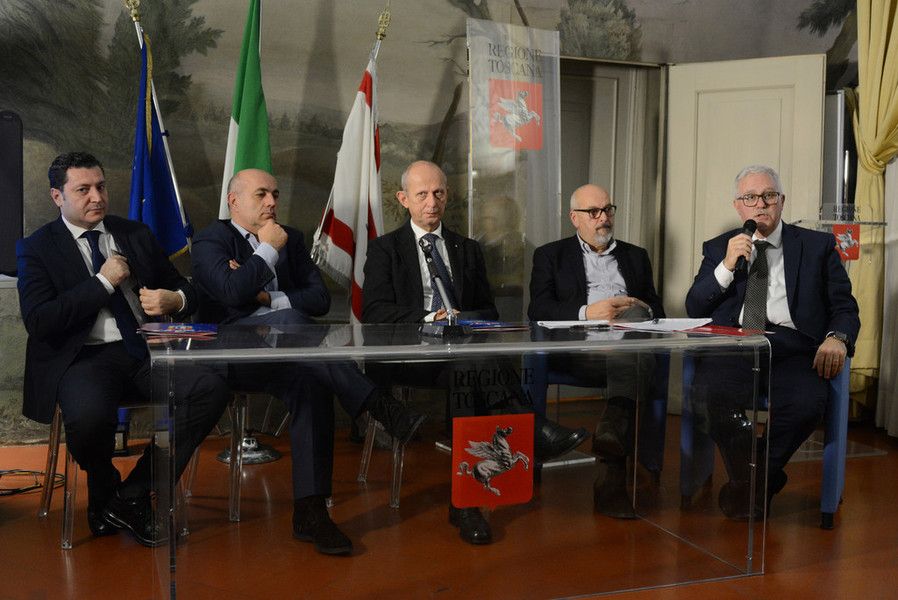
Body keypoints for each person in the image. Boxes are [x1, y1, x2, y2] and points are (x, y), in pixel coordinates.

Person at [190, 168, 424, 556]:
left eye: (275, 194)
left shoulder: (292, 239)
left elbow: (319, 300)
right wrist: (267, 251)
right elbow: (229, 292)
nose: (272, 202)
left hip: (288, 354)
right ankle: (378, 405)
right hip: (232, 353)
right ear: (233, 201)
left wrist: (266, 298)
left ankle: (311, 512)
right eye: (261, 194)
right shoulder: (211, 239)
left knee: (312, 379)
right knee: (292, 321)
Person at [362, 160, 589, 544]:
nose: (432, 202)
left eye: (438, 193)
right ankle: (529, 432)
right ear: (403, 199)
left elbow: (487, 310)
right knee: (476, 366)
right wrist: (430, 316)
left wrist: (463, 318)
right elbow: (375, 312)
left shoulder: (467, 249)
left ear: (447, 195)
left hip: (461, 353)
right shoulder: (385, 249)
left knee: (470, 369)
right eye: (422, 194)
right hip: (410, 355)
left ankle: (465, 504)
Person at [16, 152, 229, 547]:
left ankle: (132, 494)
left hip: (145, 351)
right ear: (57, 197)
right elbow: (40, 320)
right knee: (88, 419)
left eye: (101, 186)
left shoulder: (134, 233)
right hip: (84, 359)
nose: (97, 197)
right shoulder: (36, 248)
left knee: (210, 388)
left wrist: (175, 299)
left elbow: (186, 288)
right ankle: (105, 488)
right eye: (83, 190)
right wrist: (102, 282)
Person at [685, 164, 860, 519]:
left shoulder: (817, 246)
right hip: (735, 346)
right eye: (750, 197)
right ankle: (761, 480)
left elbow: (844, 307)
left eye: (768, 195)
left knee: (807, 404)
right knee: (708, 395)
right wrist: (726, 266)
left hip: (792, 347)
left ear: (781, 201)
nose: (760, 204)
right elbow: (695, 306)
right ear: (738, 206)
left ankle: (749, 483)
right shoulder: (719, 247)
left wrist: (837, 338)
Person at [528, 183, 666, 518]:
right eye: (593, 212)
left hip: (626, 346)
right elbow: (538, 309)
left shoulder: (636, 256)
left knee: (633, 342)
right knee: (635, 362)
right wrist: (588, 312)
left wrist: (638, 308)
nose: (603, 218)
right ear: (574, 218)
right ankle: (609, 481)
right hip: (580, 348)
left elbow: (657, 310)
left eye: (608, 210)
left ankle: (610, 436)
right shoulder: (550, 255)